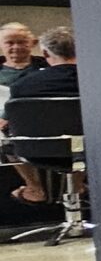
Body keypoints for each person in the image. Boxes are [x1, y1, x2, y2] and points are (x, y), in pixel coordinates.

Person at [5, 26, 78, 204]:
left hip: (37, 153)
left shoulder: (22, 86)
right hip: (93, 152)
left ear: (45, 53)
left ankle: (35, 188)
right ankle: (77, 187)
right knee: (81, 140)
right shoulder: (97, 80)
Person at [0, 22, 38, 87]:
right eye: (10, 43)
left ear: (33, 43)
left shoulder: (49, 66)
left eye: (22, 42)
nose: (16, 47)